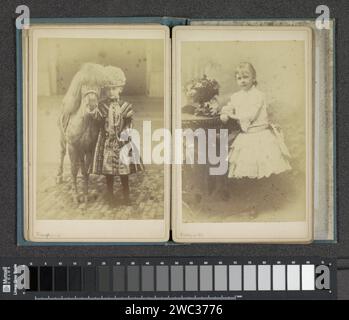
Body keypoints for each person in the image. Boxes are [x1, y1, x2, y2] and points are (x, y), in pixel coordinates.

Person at [220, 62, 291, 213]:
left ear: (254, 78)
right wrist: (224, 113)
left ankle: (267, 201)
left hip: (260, 136)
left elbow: (249, 115)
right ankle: (252, 204)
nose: (243, 80)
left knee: (264, 172)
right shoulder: (236, 96)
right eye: (239, 78)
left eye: (246, 77)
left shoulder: (258, 96)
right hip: (247, 137)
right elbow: (229, 106)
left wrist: (232, 115)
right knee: (248, 172)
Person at [92, 66, 144, 205]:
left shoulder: (126, 106)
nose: (111, 92)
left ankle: (126, 196)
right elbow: (98, 121)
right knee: (108, 172)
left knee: (124, 172)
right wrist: (93, 112)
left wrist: (125, 134)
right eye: (108, 89)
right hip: (107, 142)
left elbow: (129, 123)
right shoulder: (102, 106)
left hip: (122, 142)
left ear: (120, 89)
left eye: (114, 89)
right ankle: (110, 196)